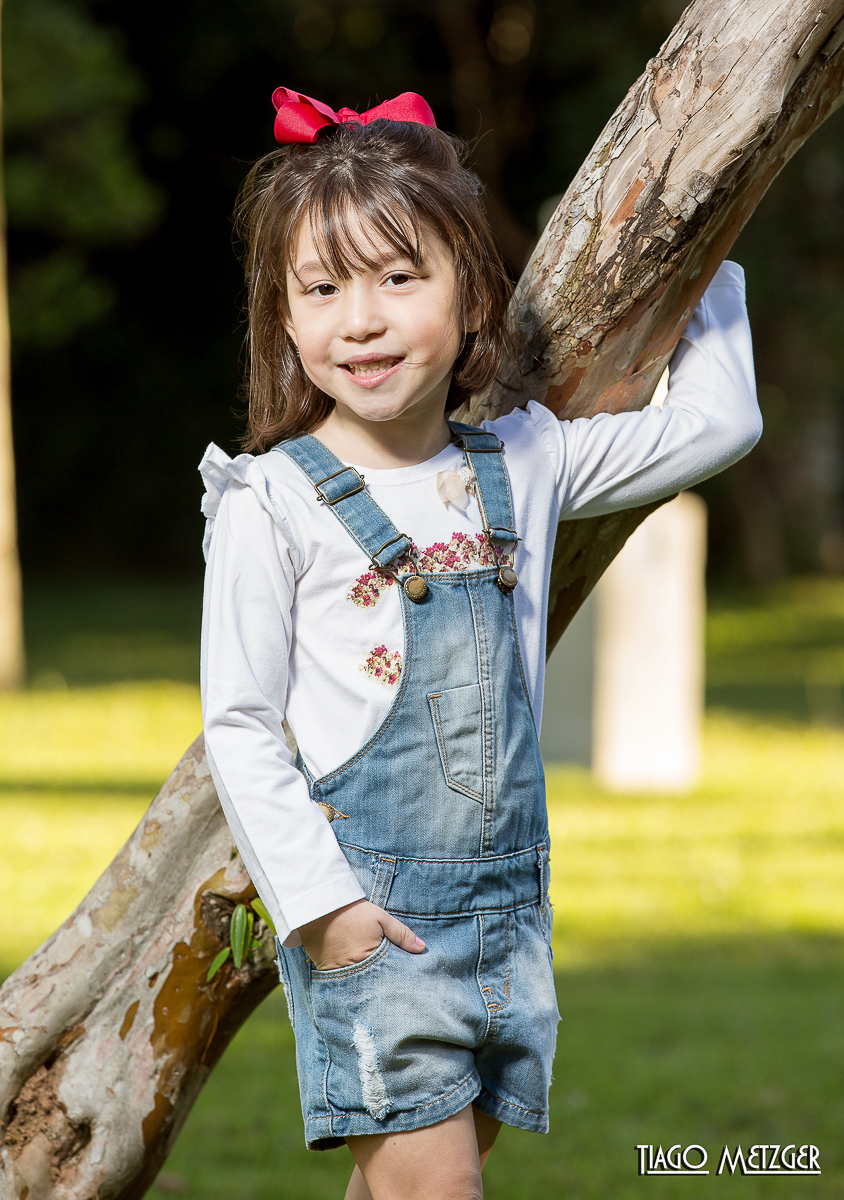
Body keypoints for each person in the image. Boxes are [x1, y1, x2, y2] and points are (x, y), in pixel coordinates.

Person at [199, 86, 762, 1200]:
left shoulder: (526, 461)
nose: (357, 320)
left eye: (397, 279)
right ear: (284, 318)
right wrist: (326, 913)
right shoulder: (272, 502)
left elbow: (721, 425)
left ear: (470, 296)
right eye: (321, 290)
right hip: (375, 920)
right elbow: (240, 724)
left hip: (509, 919)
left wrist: (708, 266)